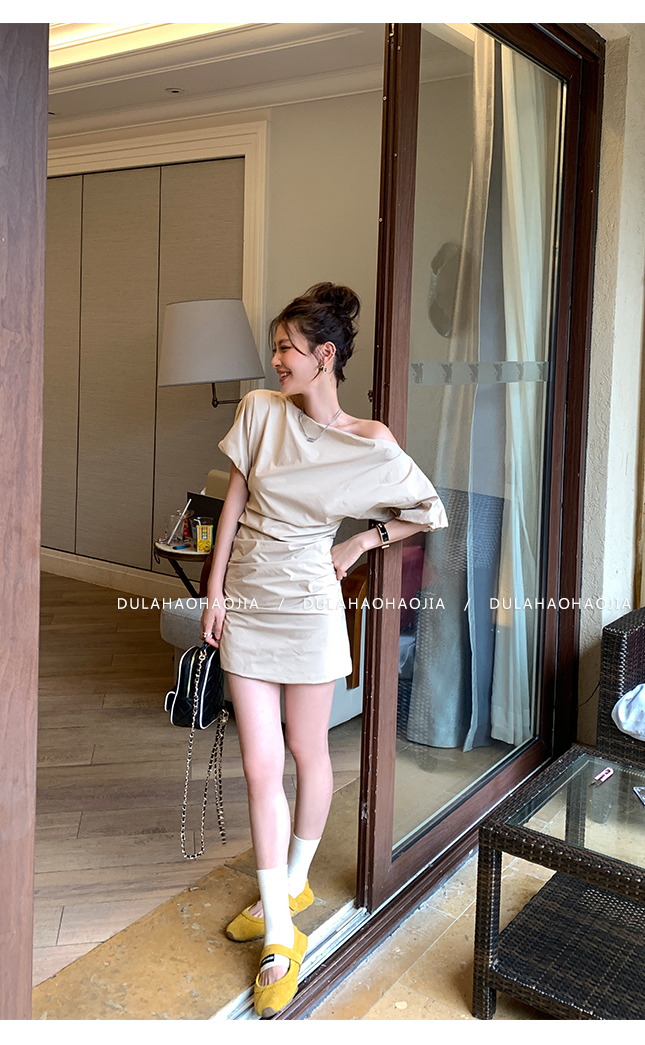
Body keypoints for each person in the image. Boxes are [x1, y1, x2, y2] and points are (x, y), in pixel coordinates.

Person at [200, 282, 448, 1018]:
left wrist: (362, 542)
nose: (277, 359)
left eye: (287, 348)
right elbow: (233, 504)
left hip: (309, 606)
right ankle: (282, 929)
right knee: (259, 763)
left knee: (309, 751)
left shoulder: (368, 440)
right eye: (277, 347)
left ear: (325, 355)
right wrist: (213, 591)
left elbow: (428, 510)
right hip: (248, 601)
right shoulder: (259, 411)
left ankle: (294, 879)